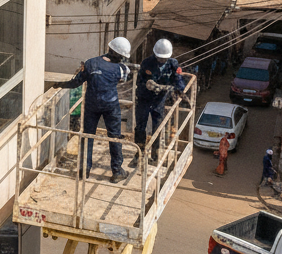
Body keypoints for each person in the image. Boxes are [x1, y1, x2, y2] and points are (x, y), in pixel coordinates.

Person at [54, 37, 133, 182]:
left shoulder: (90, 63)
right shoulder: (121, 69)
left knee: (87, 136)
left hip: (91, 105)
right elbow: (123, 79)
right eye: (122, 56)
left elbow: (76, 82)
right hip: (111, 106)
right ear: (117, 54)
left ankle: (84, 170)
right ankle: (117, 171)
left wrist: (60, 85)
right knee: (114, 137)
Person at [134, 38, 186, 150]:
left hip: (159, 100)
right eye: (160, 58)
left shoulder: (173, 64)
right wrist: (149, 85)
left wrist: (178, 90)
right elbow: (140, 81)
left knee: (157, 126)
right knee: (140, 126)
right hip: (144, 98)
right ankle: (139, 151)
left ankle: (155, 151)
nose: (162, 60)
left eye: (164, 58)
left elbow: (178, 79)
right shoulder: (147, 63)